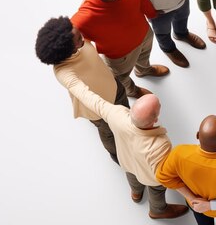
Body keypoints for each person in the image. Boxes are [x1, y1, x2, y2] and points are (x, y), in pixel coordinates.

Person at [66, 83, 190, 220]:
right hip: (150, 177)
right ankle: (158, 210)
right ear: (155, 119)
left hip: (127, 163)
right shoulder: (161, 144)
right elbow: (165, 176)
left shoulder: (117, 114)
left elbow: (96, 102)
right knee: (157, 189)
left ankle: (136, 193)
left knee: (132, 177)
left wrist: (73, 84)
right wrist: (191, 197)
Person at [35, 16, 129, 164]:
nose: (83, 38)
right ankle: (115, 153)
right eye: (79, 39)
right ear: (67, 51)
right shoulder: (63, 72)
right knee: (109, 133)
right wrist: (109, 112)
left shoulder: (76, 36)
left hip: (115, 88)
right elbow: (84, 94)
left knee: (127, 116)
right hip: (98, 111)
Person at [71, 0, 169, 99]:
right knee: (122, 78)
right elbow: (67, 33)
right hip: (120, 56)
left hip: (144, 35)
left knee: (144, 57)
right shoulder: (87, 13)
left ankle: (144, 70)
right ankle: (132, 91)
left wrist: (151, 14)